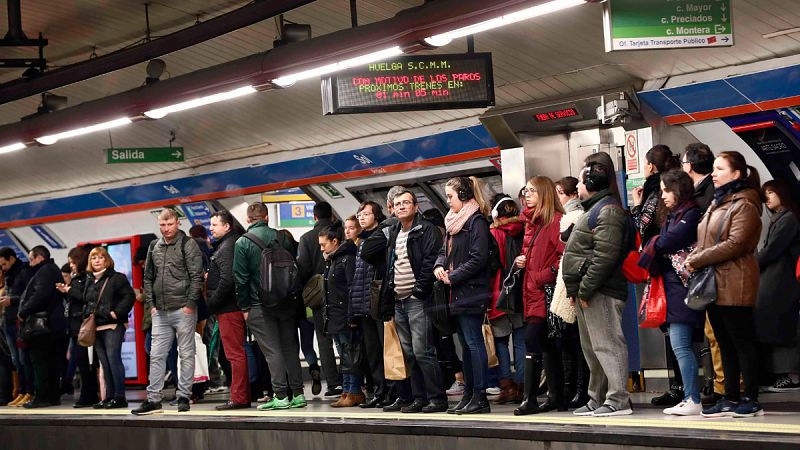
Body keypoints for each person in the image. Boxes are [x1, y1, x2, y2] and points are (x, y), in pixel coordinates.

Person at [685, 151, 763, 418]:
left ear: (737, 174)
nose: (714, 174)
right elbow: (708, 239)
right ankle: (730, 396)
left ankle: (751, 397)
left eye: (720, 169)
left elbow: (736, 243)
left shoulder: (745, 203)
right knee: (724, 342)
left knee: (742, 342)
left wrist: (699, 259)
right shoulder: (719, 202)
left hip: (736, 282)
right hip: (715, 283)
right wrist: (697, 255)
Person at [562, 162, 633, 417]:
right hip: (588, 292)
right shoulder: (596, 209)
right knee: (593, 349)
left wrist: (585, 289)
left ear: (591, 185)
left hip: (601, 291)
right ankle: (598, 397)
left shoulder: (608, 211)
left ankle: (618, 400)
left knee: (608, 345)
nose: (578, 186)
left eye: (581, 182)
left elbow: (605, 256)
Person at [639, 170, 703, 415]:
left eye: (666, 190)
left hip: (682, 288)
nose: (662, 196)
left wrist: (654, 242)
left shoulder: (691, 213)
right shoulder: (675, 215)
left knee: (681, 346)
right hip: (673, 287)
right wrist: (656, 242)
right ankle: (690, 396)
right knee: (682, 346)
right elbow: (660, 241)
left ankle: (692, 397)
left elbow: (665, 242)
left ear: (678, 188)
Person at [234, 202, 307, 411]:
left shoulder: (242, 243)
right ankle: (299, 394)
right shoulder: (283, 237)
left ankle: (281, 395)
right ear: (266, 217)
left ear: (249, 220)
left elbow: (241, 278)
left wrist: (244, 307)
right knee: (290, 347)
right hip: (286, 301)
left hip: (259, 305)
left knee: (272, 350)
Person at [379, 189, 446, 413]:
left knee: (423, 350)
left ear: (416, 206)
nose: (401, 207)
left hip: (417, 299)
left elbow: (430, 262)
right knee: (408, 352)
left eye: (406, 203)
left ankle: (437, 398)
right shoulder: (394, 231)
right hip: (398, 300)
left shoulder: (426, 230)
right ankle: (419, 398)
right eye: (397, 204)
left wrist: (418, 291)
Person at [133, 209, 204, 415]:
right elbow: (147, 277)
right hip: (160, 311)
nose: (166, 229)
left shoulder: (188, 244)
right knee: (156, 355)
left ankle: (184, 396)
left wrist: (190, 304)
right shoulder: (154, 246)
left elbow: (196, 276)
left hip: (183, 309)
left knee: (186, 354)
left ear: (177, 223)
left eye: (169, 224)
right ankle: (153, 399)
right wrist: (152, 305)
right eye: (162, 225)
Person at [434, 177, 492, 415]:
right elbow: (443, 250)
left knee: (474, 344)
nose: (448, 201)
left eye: (450, 196)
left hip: (470, 291)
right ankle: (469, 393)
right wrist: (439, 266)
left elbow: (479, 258)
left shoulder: (476, 222)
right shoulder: (453, 223)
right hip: (456, 292)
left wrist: (454, 275)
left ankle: (480, 395)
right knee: (466, 347)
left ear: (463, 195)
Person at [513, 176, 566, 415]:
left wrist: (540, 276)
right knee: (547, 345)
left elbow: (562, 256)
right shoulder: (531, 223)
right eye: (526, 190)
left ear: (544, 193)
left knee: (533, 340)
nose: (527, 194)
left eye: (532, 191)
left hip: (545, 292)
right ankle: (555, 396)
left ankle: (530, 398)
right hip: (533, 292)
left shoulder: (554, 221)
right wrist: (521, 262)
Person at [680, 142, 719, 404]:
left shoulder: (705, 196)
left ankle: (719, 387)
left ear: (690, 166)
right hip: (703, 267)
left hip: (709, 269)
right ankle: (714, 385)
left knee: (714, 333)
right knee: (708, 332)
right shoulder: (700, 192)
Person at [755, 180, 800, 393]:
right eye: (766, 193)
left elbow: (773, 249)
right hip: (778, 277)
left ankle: (791, 375)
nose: (768, 197)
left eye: (772, 192)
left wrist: (751, 262)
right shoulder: (780, 218)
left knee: (782, 323)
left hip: (783, 279)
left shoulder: (788, 219)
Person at [297, 201, 342, 398]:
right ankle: (353, 381)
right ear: (331, 215)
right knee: (344, 338)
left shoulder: (307, 238)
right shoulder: (339, 232)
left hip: (318, 295)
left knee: (324, 340)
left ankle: (333, 383)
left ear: (314, 217)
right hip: (339, 290)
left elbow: (303, 268)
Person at [83, 247, 135, 409]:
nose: (97, 261)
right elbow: (87, 301)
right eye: (93, 258)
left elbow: (129, 296)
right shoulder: (89, 280)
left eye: (100, 257)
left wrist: (116, 313)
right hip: (96, 326)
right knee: (104, 363)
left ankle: (120, 397)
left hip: (113, 325)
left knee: (114, 359)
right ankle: (109, 397)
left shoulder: (117, 278)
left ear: (107, 260)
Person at [207, 210, 250, 410]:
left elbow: (227, 280)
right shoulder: (227, 245)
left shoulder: (227, 247)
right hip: (229, 307)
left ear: (226, 226)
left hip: (228, 308)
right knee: (234, 353)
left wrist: (211, 304)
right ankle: (239, 394)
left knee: (234, 354)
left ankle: (239, 397)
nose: (211, 228)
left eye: (214, 224)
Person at [553, 176, 589, 408]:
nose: (559, 198)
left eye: (561, 193)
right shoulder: (566, 217)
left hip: (571, 282)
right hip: (566, 281)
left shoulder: (575, 217)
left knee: (576, 341)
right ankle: (573, 388)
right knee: (570, 339)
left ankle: (579, 389)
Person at [487, 194, 525, 405]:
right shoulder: (525, 230)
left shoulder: (493, 233)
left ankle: (506, 386)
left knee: (500, 341)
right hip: (520, 294)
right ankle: (522, 386)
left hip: (498, 295)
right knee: (520, 339)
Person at [318, 222, 362, 407]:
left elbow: (352, 287)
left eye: (323, 244)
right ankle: (345, 390)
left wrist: (352, 315)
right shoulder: (333, 259)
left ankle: (354, 390)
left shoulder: (347, 258)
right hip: (335, 316)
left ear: (335, 241)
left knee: (350, 355)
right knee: (344, 355)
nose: (322, 248)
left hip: (344, 315)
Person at [17, 245, 65, 408]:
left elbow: (40, 295)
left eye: (31, 259)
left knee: (40, 362)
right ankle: (52, 396)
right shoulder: (52, 269)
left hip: (43, 325)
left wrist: (24, 311)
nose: (29, 263)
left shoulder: (45, 271)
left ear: (39, 257)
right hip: (52, 323)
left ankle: (42, 397)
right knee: (50, 362)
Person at [351, 200, 389, 408]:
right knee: (372, 351)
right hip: (364, 302)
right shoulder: (361, 241)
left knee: (385, 349)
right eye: (360, 215)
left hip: (378, 301)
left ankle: (391, 390)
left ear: (377, 215)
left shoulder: (380, 236)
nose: (362, 218)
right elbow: (358, 277)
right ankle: (379, 389)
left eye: (366, 214)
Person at [55, 247, 99, 408]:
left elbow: (84, 297)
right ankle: (88, 393)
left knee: (85, 363)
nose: (71, 266)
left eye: (73, 262)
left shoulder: (86, 278)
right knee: (81, 362)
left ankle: (89, 394)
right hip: (75, 326)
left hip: (82, 325)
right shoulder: (78, 278)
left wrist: (69, 290)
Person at [1, 247, 33, 407]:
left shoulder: (24, 272)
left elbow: (29, 295)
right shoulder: (8, 275)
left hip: (19, 322)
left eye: (5, 264)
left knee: (23, 359)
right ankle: (21, 391)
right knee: (16, 360)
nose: (3, 268)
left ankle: (29, 391)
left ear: (12, 258)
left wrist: (11, 300)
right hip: (8, 321)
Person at [632, 145, 678, 245]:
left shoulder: (655, 191)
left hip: (656, 249)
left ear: (651, 166)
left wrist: (637, 205)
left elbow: (642, 228)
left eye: (644, 163)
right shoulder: (677, 184)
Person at [682, 143, 715, 214]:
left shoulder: (710, 193)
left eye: (683, 163)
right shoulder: (713, 184)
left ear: (689, 166)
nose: (682, 167)